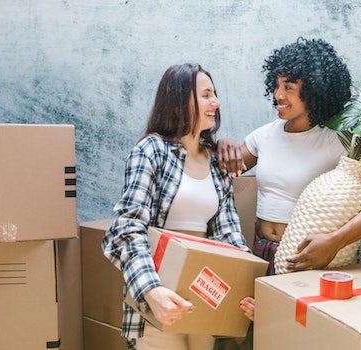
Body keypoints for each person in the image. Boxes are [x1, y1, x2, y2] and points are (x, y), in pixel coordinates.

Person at [216, 37, 361, 321]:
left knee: (298, 336)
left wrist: (334, 241)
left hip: (308, 260)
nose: (277, 95)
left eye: (289, 88)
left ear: (317, 91)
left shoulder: (338, 141)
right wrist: (224, 143)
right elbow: (219, 171)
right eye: (276, 85)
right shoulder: (264, 136)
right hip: (260, 253)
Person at [102, 63, 250, 350]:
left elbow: (230, 236)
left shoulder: (216, 162)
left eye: (215, 94)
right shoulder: (151, 151)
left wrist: (243, 292)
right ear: (180, 101)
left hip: (205, 294)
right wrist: (151, 291)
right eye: (206, 94)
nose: (216, 102)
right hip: (160, 293)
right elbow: (126, 228)